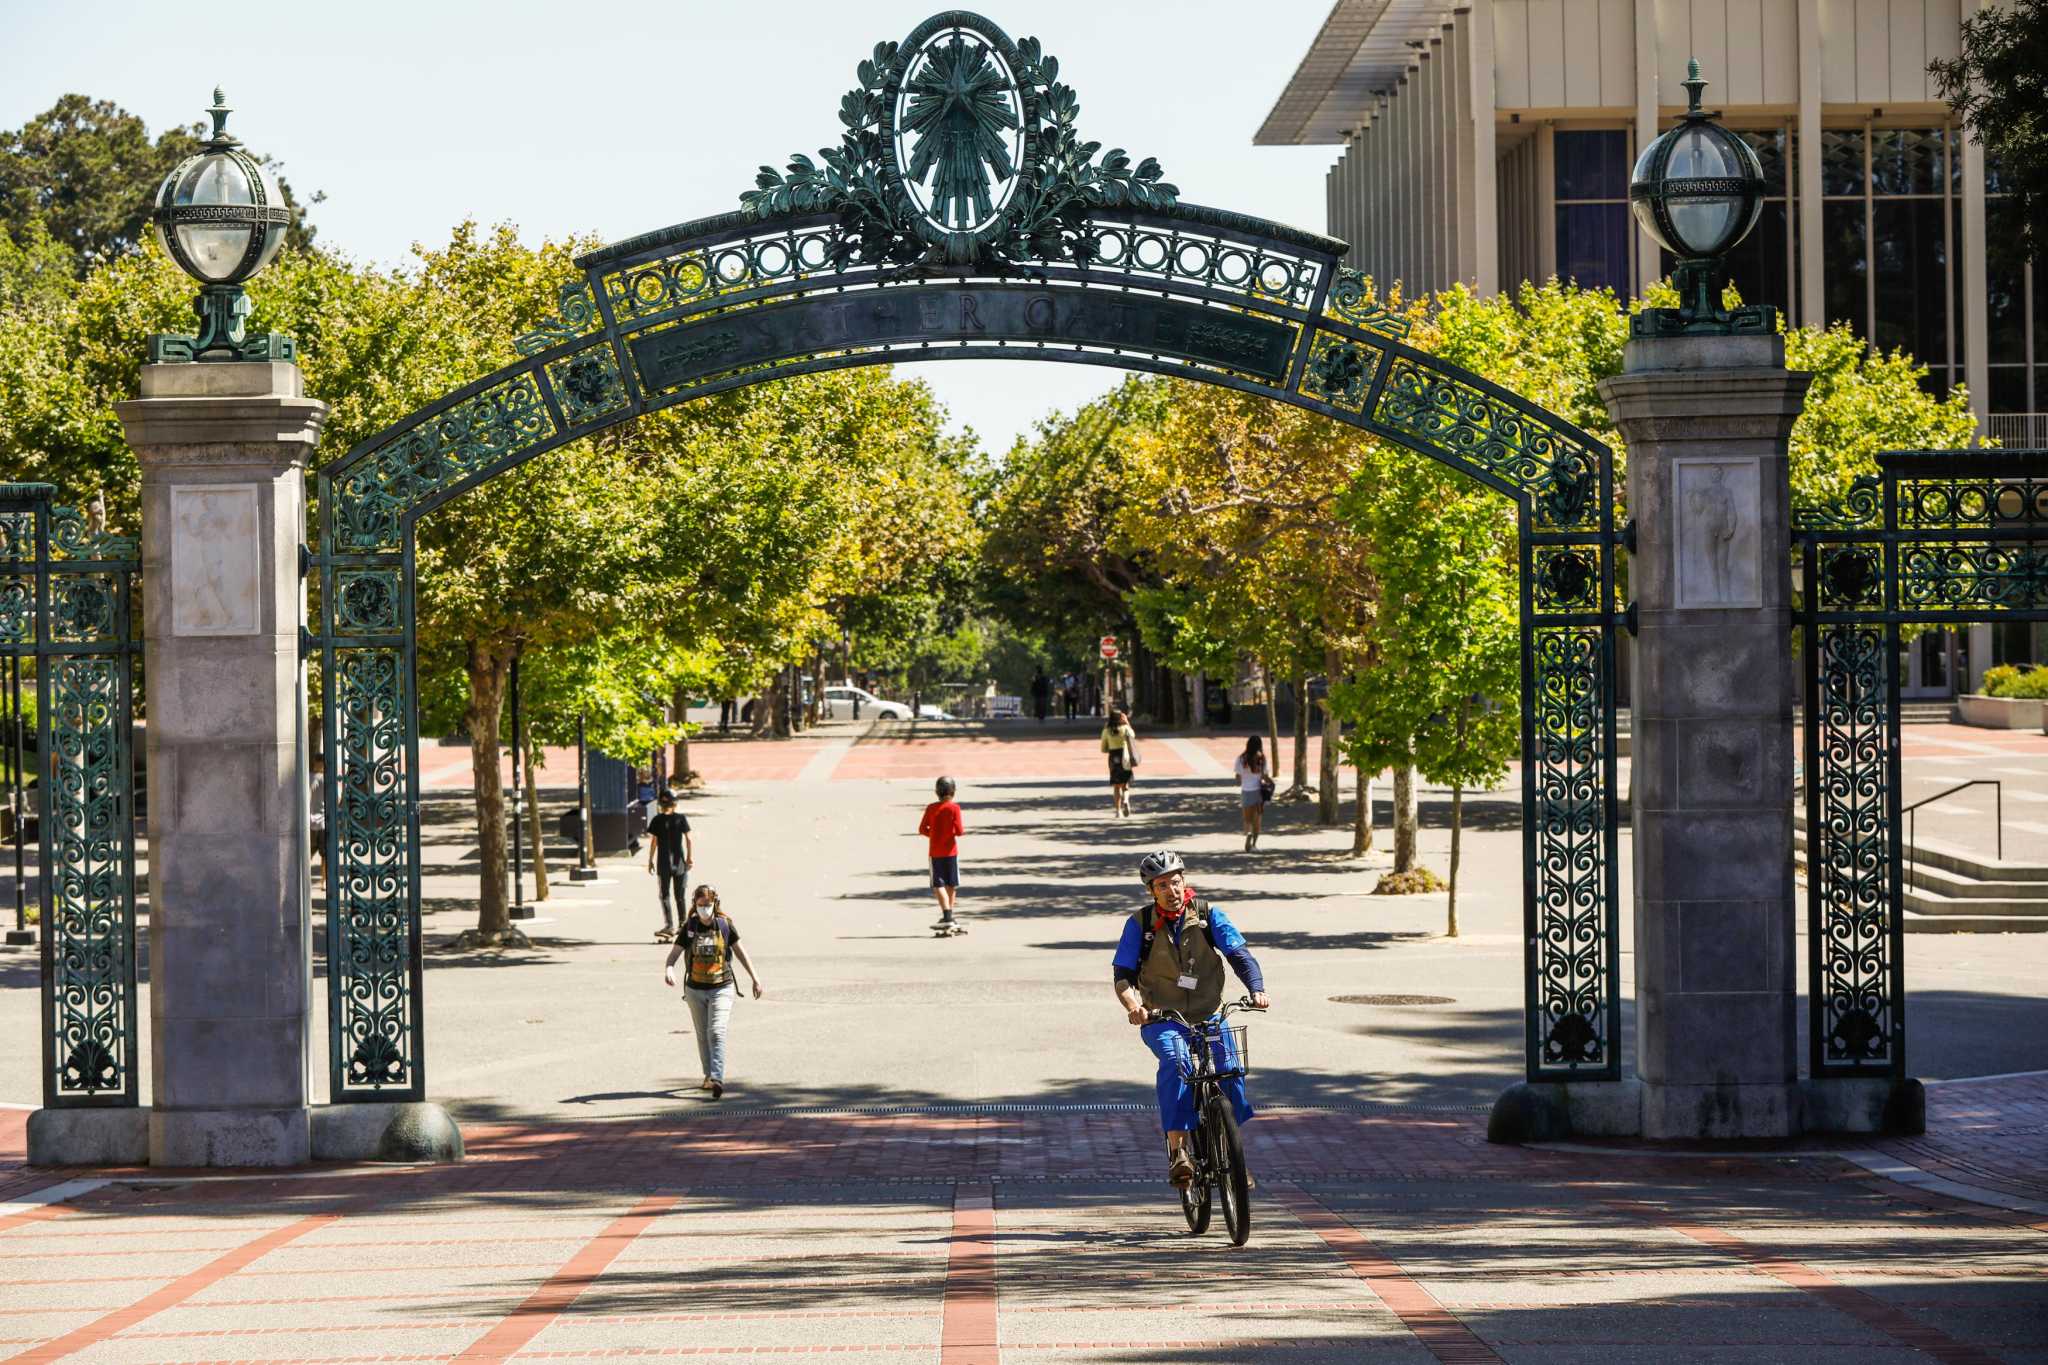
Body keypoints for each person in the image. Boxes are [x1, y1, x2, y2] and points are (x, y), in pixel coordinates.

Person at [1112, 850, 1269, 1189]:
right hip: (1163, 1018)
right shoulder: (1139, 924)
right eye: (1163, 885)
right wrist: (1133, 1006)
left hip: (1209, 1013)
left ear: (1186, 881)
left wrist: (1256, 989)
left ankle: (1233, 1152)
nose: (1172, 890)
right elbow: (1122, 974)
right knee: (1176, 1061)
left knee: (1231, 1066)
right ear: (1152, 891)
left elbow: (1239, 955)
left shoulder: (1208, 914)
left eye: (1176, 881)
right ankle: (1178, 1151)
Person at [662, 883, 763, 1099]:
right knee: (702, 1034)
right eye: (700, 905)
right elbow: (673, 955)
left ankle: (717, 1077)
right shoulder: (689, 927)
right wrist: (669, 969)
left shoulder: (725, 925)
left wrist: (755, 978)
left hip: (722, 987)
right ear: (695, 905)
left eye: (708, 904)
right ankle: (708, 1076)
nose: (704, 909)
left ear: (715, 903)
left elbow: (741, 952)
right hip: (695, 990)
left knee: (716, 1031)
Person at [645, 791, 694, 943]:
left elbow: (654, 841)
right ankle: (683, 924)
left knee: (664, 895)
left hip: (663, 863)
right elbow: (689, 839)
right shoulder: (681, 819)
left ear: (660, 804)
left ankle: (669, 925)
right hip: (679, 863)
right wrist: (689, 858)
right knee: (680, 895)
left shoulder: (657, 820)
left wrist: (650, 860)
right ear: (675, 803)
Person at [919, 776, 965, 932]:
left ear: (936, 792)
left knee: (938, 884)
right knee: (951, 883)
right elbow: (960, 831)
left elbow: (922, 829)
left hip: (935, 852)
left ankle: (947, 916)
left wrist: (934, 835)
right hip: (951, 852)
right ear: (953, 792)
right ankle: (949, 916)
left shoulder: (931, 808)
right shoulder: (955, 808)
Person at [1233, 736, 1271, 852]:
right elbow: (1265, 776)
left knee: (1247, 819)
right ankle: (1254, 844)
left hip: (1246, 791)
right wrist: (1270, 783)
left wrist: (1240, 781)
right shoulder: (1262, 758)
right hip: (1259, 792)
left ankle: (1248, 833)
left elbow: (1238, 778)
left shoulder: (1241, 759)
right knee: (1257, 819)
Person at [1100, 708, 1138, 817]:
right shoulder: (1125, 728)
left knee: (1116, 786)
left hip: (1113, 758)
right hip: (1124, 757)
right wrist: (1127, 722)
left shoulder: (1106, 731)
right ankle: (1126, 801)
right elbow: (1133, 735)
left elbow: (1103, 749)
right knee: (1125, 785)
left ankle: (1118, 811)